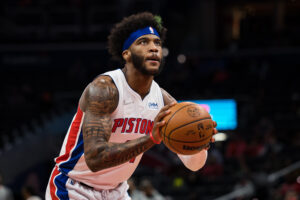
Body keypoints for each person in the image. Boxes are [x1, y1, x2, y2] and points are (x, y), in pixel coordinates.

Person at [45, 12, 217, 200]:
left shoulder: (164, 101)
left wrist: (201, 143)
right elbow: (95, 158)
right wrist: (152, 138)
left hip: (117, 191)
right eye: (144, 42)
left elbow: (193, 165)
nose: (153, 48)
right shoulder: (105, 90)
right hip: (74, 187)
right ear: (126, 54)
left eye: (157, 43)